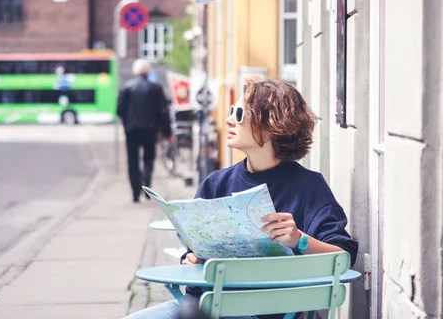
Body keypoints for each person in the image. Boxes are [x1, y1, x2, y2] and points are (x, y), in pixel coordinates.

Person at [125, 79, 358, 319]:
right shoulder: (216, 183)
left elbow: (344, 259)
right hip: (205, 306)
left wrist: (299, 240)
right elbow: (192, 252)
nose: (228, 120)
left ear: (272, 125)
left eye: (239, 114)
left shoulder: (308, 187)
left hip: (268, 312)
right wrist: (190, 258)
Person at [117, 59, 174, 203]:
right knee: (149, 158)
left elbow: (119, 110)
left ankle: (135, 193)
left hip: (131, 130)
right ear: (148, 71)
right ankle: (146, 184)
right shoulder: (155, 88)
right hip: (150, 129)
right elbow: (163, 111)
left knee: (133, 161)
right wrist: (167, 132)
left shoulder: (127, 88)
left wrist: (126, 123)